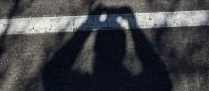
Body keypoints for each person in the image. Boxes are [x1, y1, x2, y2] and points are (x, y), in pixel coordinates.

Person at [41, 6, 173, 91]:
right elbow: (160, 77)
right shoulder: (133, 87)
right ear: (123, 51)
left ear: (96, 49)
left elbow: (52, 74)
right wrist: (134, 28)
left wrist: (87, 27)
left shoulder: (84, 87)